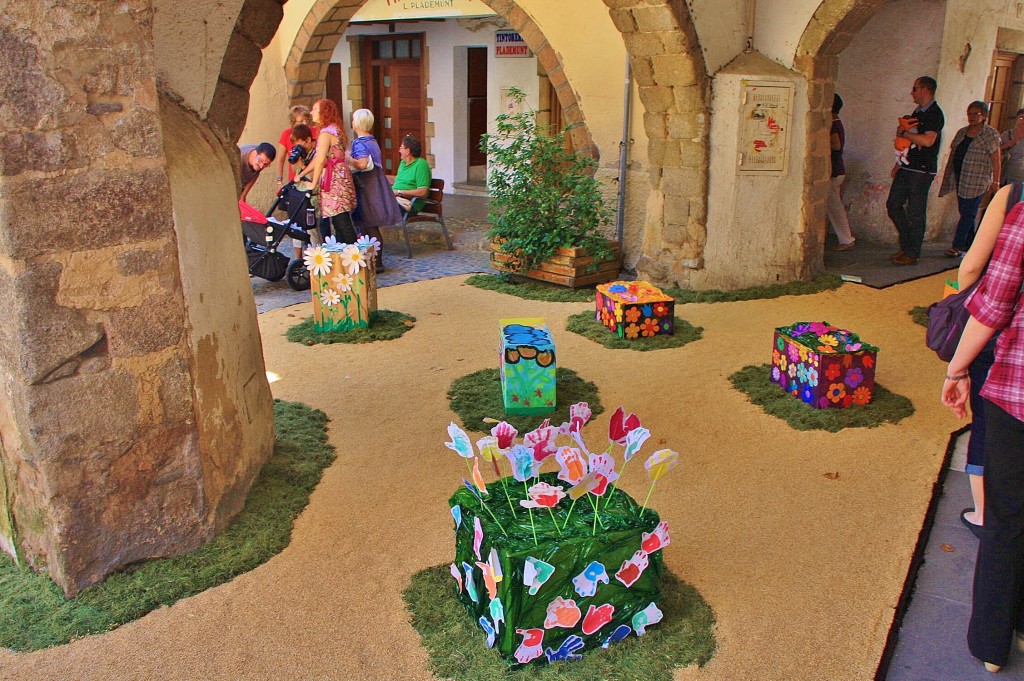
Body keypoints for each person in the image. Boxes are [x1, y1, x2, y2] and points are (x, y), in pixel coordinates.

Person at [941, 181, 1024, 673]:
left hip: (1018, 390)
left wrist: (956, 370)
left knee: (1008, 517)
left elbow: (991, 303)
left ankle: (992, 645)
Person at [952, 181, 1019, 536]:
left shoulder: (1015, 195)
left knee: (987, 422)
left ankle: (983, 513)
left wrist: (956, 367)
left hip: (1006, 341)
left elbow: (973, 268)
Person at [887, 76, 944, 266]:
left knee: (915, 213)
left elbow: (928, 141)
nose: (912, 92)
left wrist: (904, 134)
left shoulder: (935, 113)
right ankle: (906, 245)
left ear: (925, 90)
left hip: (922, 170)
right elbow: (909, 142)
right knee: (893, 204)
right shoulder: (918, 112)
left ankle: (912, 253)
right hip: (908, 166)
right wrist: (898, 163)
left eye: (915, 88)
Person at [938, 101, 1001, 258]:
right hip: (961, 177)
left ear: (984, 116)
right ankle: (971, 243)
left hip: (978, 180)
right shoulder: (962, 132)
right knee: (966, 211)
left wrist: (996, 181)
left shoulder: (990, 135)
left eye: (976, 114)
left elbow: (996, 158)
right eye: (970, 114)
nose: (972, 117)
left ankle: (957, 246)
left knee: (969, 212)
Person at [349, 108, 401, 271]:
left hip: (368, 186)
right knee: (369, 225)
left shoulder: (360, 143)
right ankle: (373, 260)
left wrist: (348, 158)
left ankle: (377, 262)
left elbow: (363, 164)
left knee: (369, 224)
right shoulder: (372, 141)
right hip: (374, 184)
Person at [308, 99, 358, 247]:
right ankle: (345, 256)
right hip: (342, 176)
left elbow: (320, 160)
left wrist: (313, 183)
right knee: (339, 221)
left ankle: (357, 256)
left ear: (324, 112)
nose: (312, 112)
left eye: (315, 109)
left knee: (341, 221)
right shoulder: (336, 129)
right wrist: (303, 172)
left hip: (335, 181)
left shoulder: (326, 134)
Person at [827, 93, 856, 251]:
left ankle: (846, 239)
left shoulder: (832, 123)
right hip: (837, 169)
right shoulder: (837, 123)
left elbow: (836, 145)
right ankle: (845, 238)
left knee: (835, 207)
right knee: (833, 206)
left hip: (834, 169)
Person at [275, 105, 318, 186]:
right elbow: (280, 160)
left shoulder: (315, 131)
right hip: (295, 179)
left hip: (313, 178)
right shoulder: (286, 134)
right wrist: (279, 181)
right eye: (301, 121)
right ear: (293, 122)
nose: (305, 123)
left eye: (306, 120)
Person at [392, 134, 432, 215]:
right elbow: (399, 182)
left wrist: (399, 192)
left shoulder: (421, 164)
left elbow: (422, 192)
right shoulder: (403, 163)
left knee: (376, 207)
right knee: (369, 204)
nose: (399, 151)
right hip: (396, 200)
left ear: (408, 151)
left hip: (409, 205)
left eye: (401, 148)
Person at [999, 108, 1024, 183]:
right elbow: (995, 151)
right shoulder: (1006, 135)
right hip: (1005, 175)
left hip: (1021, 178)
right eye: (1022, 117)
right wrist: (1007, 145)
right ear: (1016, 119)